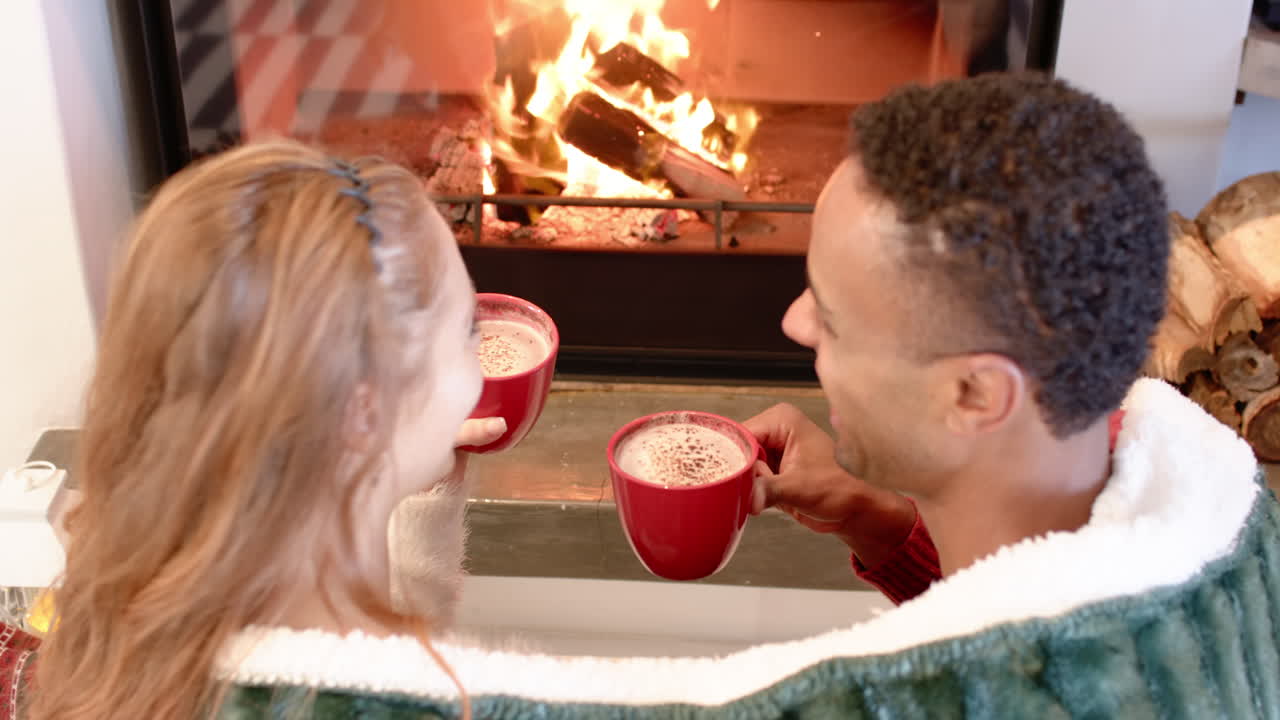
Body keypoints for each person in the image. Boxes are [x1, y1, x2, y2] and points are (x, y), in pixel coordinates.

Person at [26, 140, 506, 719]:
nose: (479, 351)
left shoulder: (127, 627)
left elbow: (363, 655)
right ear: (362, 412)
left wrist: (398, 479)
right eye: (466, 329)